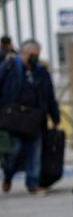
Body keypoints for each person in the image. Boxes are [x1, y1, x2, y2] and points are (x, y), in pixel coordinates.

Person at [0, 40, 60, 196]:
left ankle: (33, 184)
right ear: (23, 54)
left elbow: (49, 96)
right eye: (31, 55)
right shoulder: (10, 67)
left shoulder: (41, 72)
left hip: (35, 117)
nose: (34, 58)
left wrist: (55, 117)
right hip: (15, 118)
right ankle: (8, 175)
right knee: (15, 150)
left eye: (37, 55)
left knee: (35, 152)